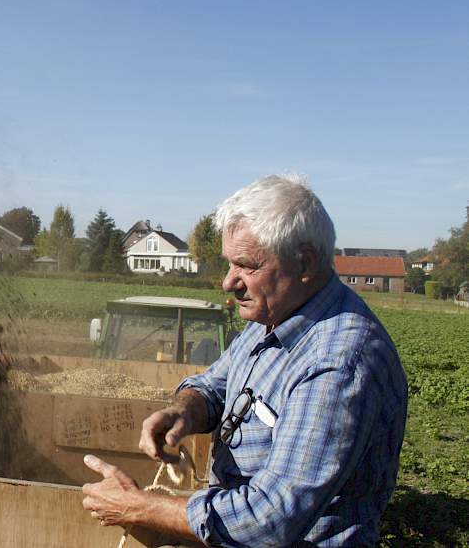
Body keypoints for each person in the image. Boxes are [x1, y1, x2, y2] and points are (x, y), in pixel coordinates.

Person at [82, 175, 408, 547]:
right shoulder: (273, 314)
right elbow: (215, 385)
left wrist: (140, 507)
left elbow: (270, 520)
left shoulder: (337, 363)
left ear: (304, 262)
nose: (227, 282)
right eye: (228, 264)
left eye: (246, 266)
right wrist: (184, 411)